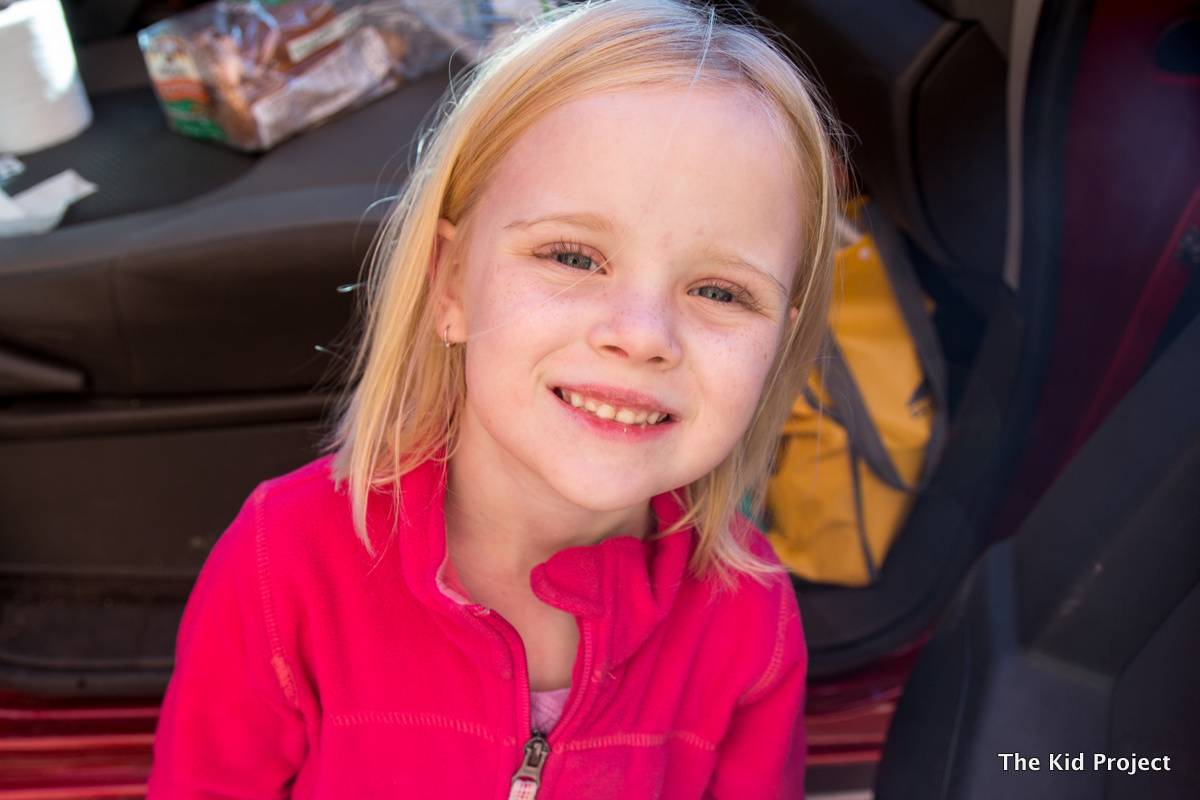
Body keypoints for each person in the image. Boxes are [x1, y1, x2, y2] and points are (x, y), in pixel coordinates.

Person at [148, 0, 841, 796]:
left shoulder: (748, 615)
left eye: (720, 291)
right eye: (573, 257)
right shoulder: (285, 563)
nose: (641, 334)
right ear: (451, 283)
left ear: (779, 342)